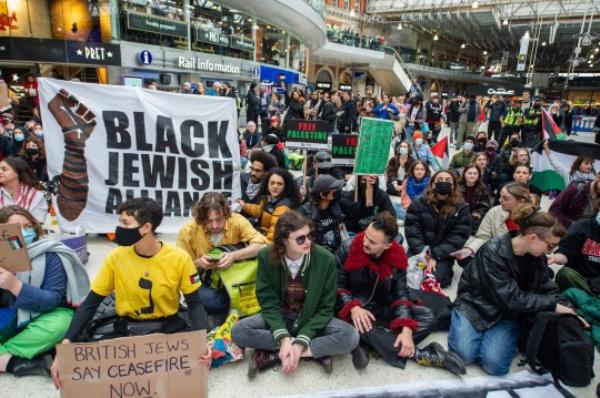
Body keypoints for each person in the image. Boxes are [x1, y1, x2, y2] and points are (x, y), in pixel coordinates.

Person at [51, 198, 210, 388]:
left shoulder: (180, 259)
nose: (118, 228)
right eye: (119, 222)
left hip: (168, 328)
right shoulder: (116, 258)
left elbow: (195, 304)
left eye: (125, 223)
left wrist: (201, 341)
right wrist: (67, 343)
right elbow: (91, 303)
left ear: (146, 228)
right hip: (126, 330)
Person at [231, 211, 359, 378]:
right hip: (279, 316)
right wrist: (283, 337)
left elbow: (326, 308)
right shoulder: (266, 256)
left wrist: (299, 344)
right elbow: (268, 301)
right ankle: (312, 352)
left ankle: (284, 353)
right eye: (300, 238)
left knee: (351, 336)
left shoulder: (326, 259)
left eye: (309, 235)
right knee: (238, 331)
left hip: (311, 318)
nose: (308, 241)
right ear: (284, 240)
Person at [336, 212, 466, 374]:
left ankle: (369, 343)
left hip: (382, 305)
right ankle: (420, 354)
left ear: (387, 246)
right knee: (359, 324)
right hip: (355, 306)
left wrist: (406, 328)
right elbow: (337, 286)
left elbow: (401, 295)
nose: (365, 242)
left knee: (428, 317)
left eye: (372, 242)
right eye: (366, 236)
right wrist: (353, 307)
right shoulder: (349, 248)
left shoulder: (396, 256)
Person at [449, 205, 569, 376]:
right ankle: (460, 319)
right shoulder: (493, 250)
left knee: (495, 366)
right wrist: (552, 305)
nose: (550, 251)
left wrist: (564, 305)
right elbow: (512, 298)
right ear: (533, 237)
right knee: (464, 355)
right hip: (475, 306)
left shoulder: (537, 258)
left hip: (508, 313)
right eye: (550, 246)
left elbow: (546, 286)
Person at [0, 206, 89, 377]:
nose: (25, 232)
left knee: (61, 325)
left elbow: (51, 300)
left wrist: (14, 285)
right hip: (8, 318)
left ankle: (6, 355)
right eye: (17, 228)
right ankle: (19, 362)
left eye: (28, 226)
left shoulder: (50, 253)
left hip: (44, 316)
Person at [177, 193, 269, 318]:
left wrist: (234, 256)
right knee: (208, 300)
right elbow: (179, 269)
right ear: (201, 218)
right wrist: (199, 263)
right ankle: (234, 305)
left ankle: (231, 305)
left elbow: (263, 246)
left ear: (226, 214)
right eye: (209, 221)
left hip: (235, 278)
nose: (214, 226)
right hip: (200, 279)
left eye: (219, 219)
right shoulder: (188, 230)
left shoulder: (237, 220)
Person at [405, 170, 472, 287]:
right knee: (406, 273)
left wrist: (435, 255)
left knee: (434, 279)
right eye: (439, 180)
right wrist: (425, 254)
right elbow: (413, 232)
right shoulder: (418, 202)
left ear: (453, 185)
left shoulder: (462, 207)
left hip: (442, 254)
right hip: (419, 250)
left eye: (448, 181)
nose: (443, 183)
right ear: (432, 184)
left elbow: (458, 237)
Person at [452, 182, 533, 266]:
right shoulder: (495, 211)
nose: (500, 200)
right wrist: (470, 249)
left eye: (505, 198)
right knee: (465, 258)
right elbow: (484, 236)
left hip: (518, 260)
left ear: (520, 201)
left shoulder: (533, 218)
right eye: (500, 196)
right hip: (496, 254)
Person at [551, 196, 600, 295]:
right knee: (565, 273)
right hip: (578, 281)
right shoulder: (582, 226)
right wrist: (555, 258)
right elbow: (566, 251)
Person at [241, 168, 301, 242]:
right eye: (272, 183)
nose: (275, 186)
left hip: (268, 243)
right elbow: (260, 211)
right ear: (267, 184)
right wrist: (243, 205)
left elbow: (273, 234)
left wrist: (260, 244)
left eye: (279, 184)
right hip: (262, 235)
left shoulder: (283, 207)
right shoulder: (269, 198)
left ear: (285, 186)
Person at [299, 175, 346, 252]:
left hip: (336, 249)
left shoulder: (337, 204)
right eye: (334, 191)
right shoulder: (304, 212)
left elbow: (360, 209)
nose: (337, 191)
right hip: (316, 252)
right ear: (323, 195)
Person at [0, 157, 47, 223]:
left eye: (4, 169)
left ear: (18, 172)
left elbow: (38, 221)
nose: (0, 172)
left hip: (28, 232)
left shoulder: (35, 195)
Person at [459, 165, 491, 234]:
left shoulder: (482, 188)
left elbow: (485, 205)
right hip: (459, 214)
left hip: (474, 216)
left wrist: (478, 213)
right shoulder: (457, 186)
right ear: (464, 174)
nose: (472, 176)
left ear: (478, 175)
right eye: (469, 173)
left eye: (475, 173)